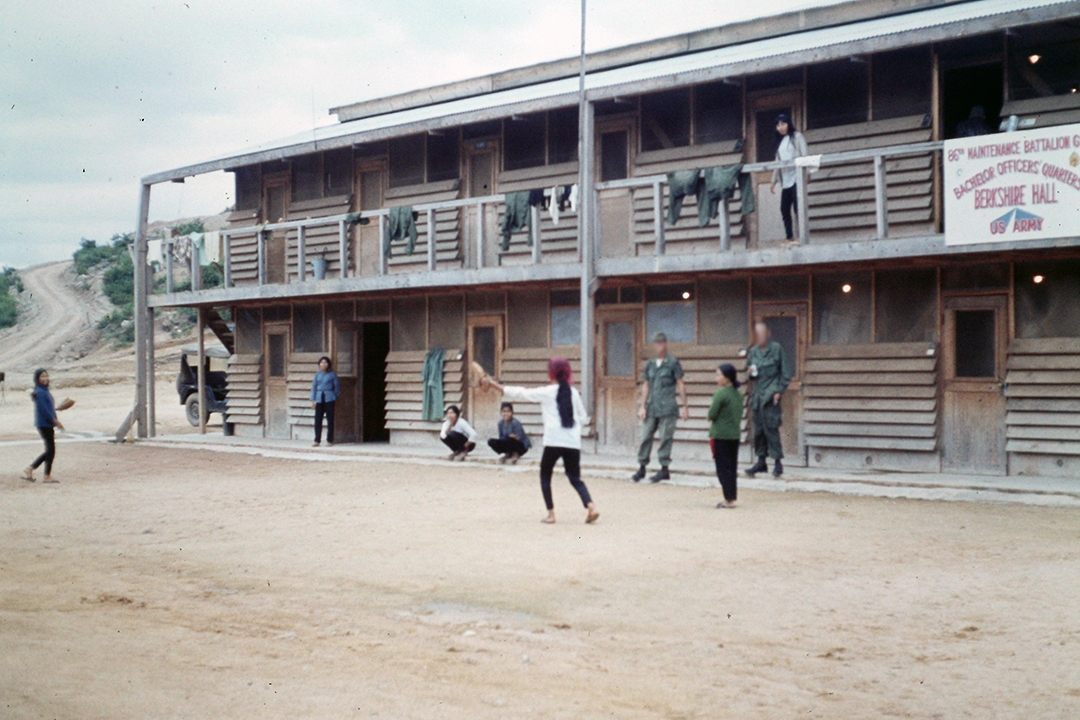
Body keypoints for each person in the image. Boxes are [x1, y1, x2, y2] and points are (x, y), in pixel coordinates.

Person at [485, 358, 599, 525]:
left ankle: (551, 515)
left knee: (545, 475)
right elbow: (582, 418)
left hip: (553, 441)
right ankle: (591, 506)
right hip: (572, 442)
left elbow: (521, 393)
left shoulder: (547, 391)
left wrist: (493, 384)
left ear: (551, 373)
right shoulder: (573, 392)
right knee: (575, 478)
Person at [632, 332, 689, 483]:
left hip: (667, 407)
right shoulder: (650, 363)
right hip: (651, 407)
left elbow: (680, 384)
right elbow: (646, 385)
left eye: (661, 343)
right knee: (645, 436)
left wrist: (685, 406)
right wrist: (642, 406)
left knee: (665, 438)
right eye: (656, 343)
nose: (659, 346)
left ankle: (664, 469)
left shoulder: (672, 362)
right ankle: (642, 468)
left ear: (665, 344)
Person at [745, 321, 793, 478]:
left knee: (771, 429)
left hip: (771, 397)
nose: (759, 336)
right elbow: (749, 374)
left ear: (768, 334)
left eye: (761, 333)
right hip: (758, 397)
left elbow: (786, 373)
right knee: (758, 431)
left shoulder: (777, 349)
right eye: (756, 334)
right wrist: (750, 373)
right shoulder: (753, 352)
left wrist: (779, 391)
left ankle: (778, 463)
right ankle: (761, 462)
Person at [708, 363, 744, 508]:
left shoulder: (721, 394)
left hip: (721, 435)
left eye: (719, 375)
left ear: (727, 378)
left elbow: (711, 414)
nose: (716, 378)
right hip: (734, 435)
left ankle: (729, 499)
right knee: (732, 468)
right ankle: (731, 497)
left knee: (723, 469)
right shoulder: (739, 395)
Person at [769, 113, 809, 241]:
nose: (781, 127)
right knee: (784, 209)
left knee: (798, 208)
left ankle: (801, 237)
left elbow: (805, 155)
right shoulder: (779, 141)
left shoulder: (797, 136)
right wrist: (773, 181)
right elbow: (777, 162)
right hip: (785, 180)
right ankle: (789, 237)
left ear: (788, 124)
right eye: (778, 125)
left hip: (797, 177)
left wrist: (807, 173)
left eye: (783, 124)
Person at [23, 369, 65, 483]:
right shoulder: (40, 392)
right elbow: (44, 410)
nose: (45, 378)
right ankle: (42, 474)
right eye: (42, 376)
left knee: (50, 450)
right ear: (37, 379)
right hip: (44, 423)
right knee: (51, 450)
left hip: (45, 423)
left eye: (46, 376)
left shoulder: (43, 390)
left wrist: (57, 410)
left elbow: (47, 407)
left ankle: (33, 469)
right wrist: (55, 421)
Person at [310, 356, 340, 447]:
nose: (323, 364)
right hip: (319, 398)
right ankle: (317, 440)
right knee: (318, 420)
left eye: (325, 362)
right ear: (319, 364)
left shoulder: (332, 375)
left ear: (328, 364)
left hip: (329, 398)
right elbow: (314, 387)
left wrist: (334, 396)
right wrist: (313, 400)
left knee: (330, 420)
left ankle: (329, 440)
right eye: (322, 362)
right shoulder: (317, 375)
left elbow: (337, 387)